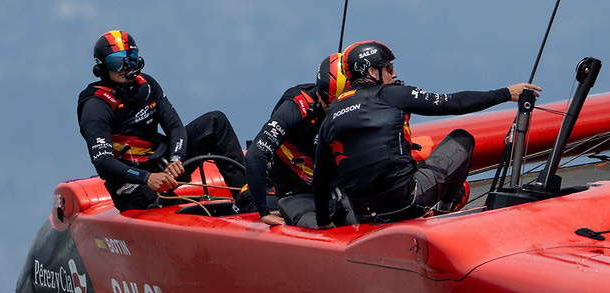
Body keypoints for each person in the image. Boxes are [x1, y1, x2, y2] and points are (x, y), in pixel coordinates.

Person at [313, 41, 541, 227]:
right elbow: (453, 103)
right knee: (461, 139)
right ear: (372, 72)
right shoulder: (392, 95)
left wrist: (324, 226)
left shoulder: (331, 114)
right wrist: (505, 93)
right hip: (406, 202)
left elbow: (320, 179)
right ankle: (445, 212)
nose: (393, 75)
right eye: (389, 69)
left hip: (365, 216)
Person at [77, 30, 246, 212]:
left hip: (163, 167)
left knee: (215, 121)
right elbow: (103, 161)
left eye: (131, 58)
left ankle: (248, 198)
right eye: (117, 63)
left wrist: (176, 158)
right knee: (150, 198)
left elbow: (174, 126)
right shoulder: (95, 105)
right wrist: (147, 178)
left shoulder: (147, 85)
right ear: (102, 68)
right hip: (133, 187)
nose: (126, 67)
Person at [241, 53, 351, 227]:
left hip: (340, 189)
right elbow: (256, 154)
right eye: (331, 106)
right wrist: (264, 212)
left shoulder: (359, 105)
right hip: (298, 195)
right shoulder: (297, 106)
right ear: (320, 95)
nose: (336, 112)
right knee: (321, 231)